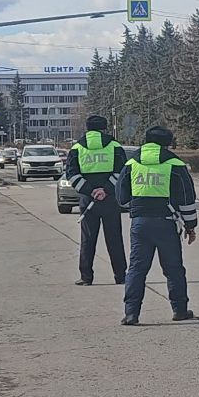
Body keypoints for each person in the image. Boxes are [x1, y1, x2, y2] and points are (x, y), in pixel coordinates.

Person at [121, 125, 199, 326]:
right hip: (167, 223)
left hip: (139, 224)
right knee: (174, 269)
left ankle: (131, 314)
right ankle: (179, 310)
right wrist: (190, 226)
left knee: (137, 269)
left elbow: (121, 197)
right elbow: (187, 198)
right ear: (167, 143)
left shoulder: (132, 162)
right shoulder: (175, 164)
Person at [66, 115, 128, 286]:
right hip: (110, 199)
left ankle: (86, 277)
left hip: (88, 200)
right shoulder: (114, 146)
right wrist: (105, 190)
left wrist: (90, 190)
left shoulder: (77, 147)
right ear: (104, 128)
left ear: (87, 128)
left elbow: (71, 174)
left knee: (87, 239)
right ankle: (120, 276)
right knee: (114, 238)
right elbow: (122, 172)